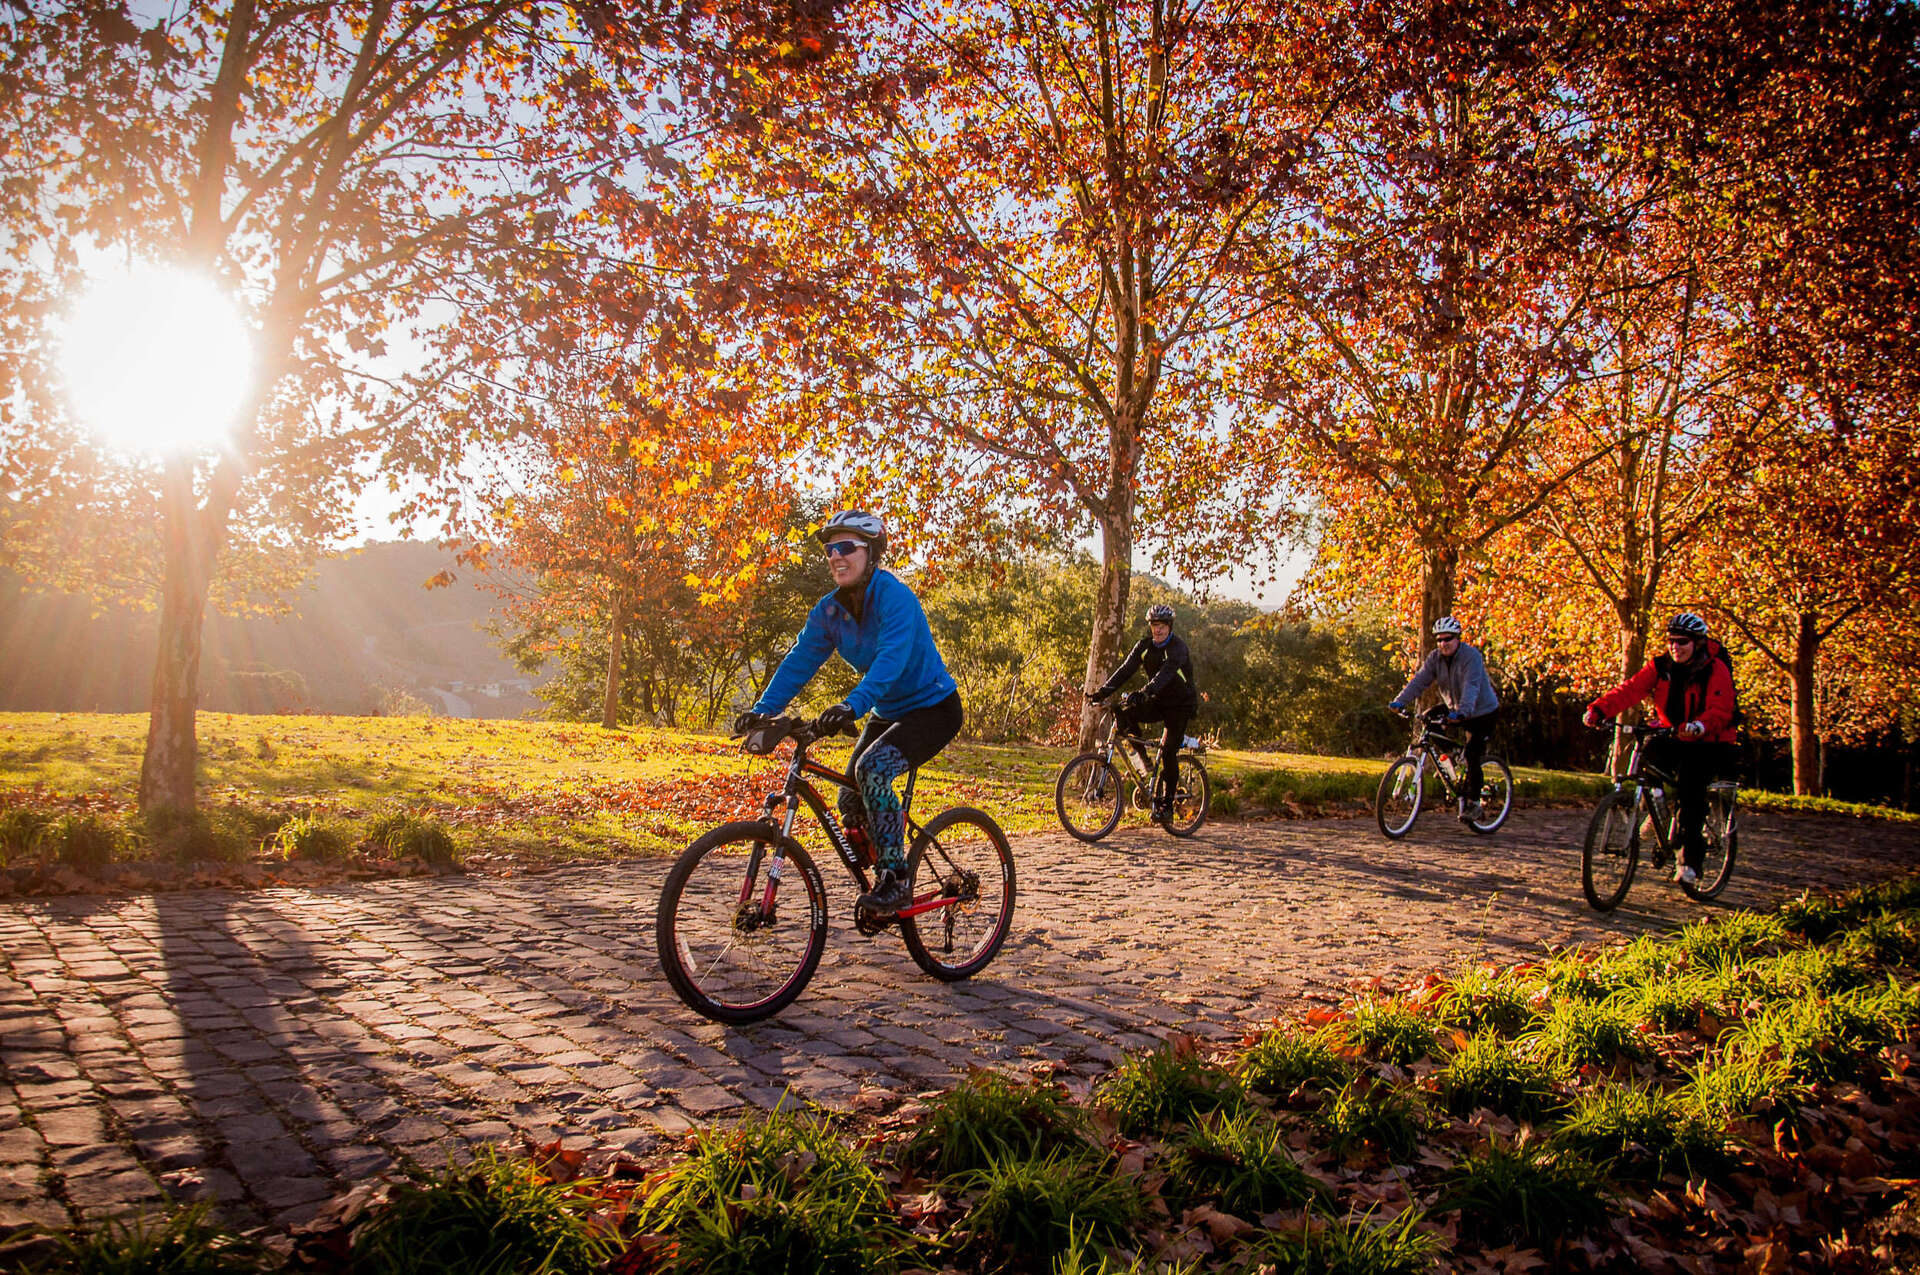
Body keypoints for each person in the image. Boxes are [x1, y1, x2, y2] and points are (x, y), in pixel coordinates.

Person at [733, 510, 962, 915]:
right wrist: (762, 710)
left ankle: (896, 880)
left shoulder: (896, 599)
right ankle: (881, 873)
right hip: (887, 710)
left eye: (846, 548)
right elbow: (800, 660)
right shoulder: (829, 611)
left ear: (871, 553)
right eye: (830, 549)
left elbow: (889, 664)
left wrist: (850, 705)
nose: (836, 556)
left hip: (933, 709)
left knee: (872, 771)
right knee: (849, 798)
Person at [1583, 612, 1738, 887]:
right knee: (1649, 755)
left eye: (1682, 642)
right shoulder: (1661, 666)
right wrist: (1599, 709)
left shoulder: (1715, 669)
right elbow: (1630, 690)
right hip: (1674, 734)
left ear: (1697, 643)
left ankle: (1690, 861)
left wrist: (1700, 726)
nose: (1675, 647)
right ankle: (1656, 813)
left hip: (1710, 741)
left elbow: (1721, 708)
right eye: (1671, 641)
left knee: (1691, 792)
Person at [1086, 603, 1199, 820]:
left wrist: (1144, 692)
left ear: (1170, 626)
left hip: (1180, 705)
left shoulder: (1178, 648)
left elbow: (1164, 675)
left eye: (1162, 626)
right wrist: (1102, 692)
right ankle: (1144, 760)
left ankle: (1166, 807)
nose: (1158, 630)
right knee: (1123, 711)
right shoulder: (1144, 646)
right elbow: (1126, 670)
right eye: (1155, 625)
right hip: (1158, 701)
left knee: (1168, 752)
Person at [1387, 616, 1501, 821]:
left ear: (1458, 638)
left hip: (1482, 711)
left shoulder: (1471, 657)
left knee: (1473, 753)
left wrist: (1462, 712)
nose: (1443, 644)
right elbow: (1419, 681)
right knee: (1429, 720)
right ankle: (1451, 760)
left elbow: (1471, 686)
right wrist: (1400, 701)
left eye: (1447, 639)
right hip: (1456, 707)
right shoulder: (1435, 658)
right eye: (1439, 640)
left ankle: (1474, 803)